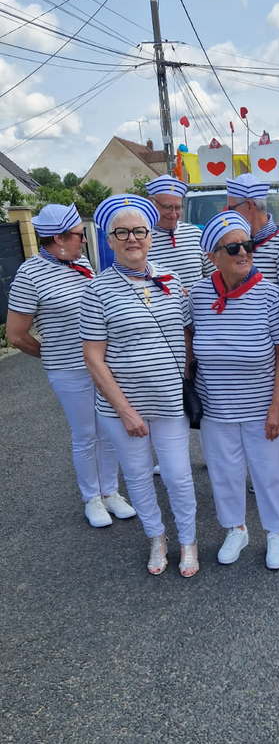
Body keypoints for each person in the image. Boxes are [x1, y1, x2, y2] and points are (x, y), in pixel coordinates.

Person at [80, 194, 198, 578]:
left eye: (139, 231)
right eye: (122, 233)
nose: (132, 238)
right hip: (122, 408)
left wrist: (186, 377)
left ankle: (188, 540)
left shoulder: (171, 279)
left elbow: (187, 332)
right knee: (138, 476)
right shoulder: (96, 290)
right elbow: (93, 357)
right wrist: (126, 411)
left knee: (178, 474)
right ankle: (156, 537)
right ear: (109, 241)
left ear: (150, 237)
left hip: (169, 401)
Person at [6, 203, 135, 528]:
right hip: (69, 371)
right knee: (86, 434)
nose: (85, 240)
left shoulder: (82, 265)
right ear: (59, 238)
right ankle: (92, 498)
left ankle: (111, 492)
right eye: (79, 235)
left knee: (109, 430)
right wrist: (51, 355)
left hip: (102, 366)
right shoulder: (30, 274)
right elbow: (16, 335)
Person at [190, 210, 279, 570]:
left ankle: (276, 532)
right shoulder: (198, 295)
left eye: (247, 245)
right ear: (213, 256)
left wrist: (278, 406)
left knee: (270, 473)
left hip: (263, 405)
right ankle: (236, 529)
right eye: (233, 248)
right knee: (224, 473)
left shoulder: (270, 295)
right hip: (216, 407)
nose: (244, 252)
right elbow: (187, 340)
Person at [226, 173, 279, 503]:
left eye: (231, 207)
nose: (226, 212)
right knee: (256, 410)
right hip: (245, 344)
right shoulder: (237, 241)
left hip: (277, 341)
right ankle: (263, 470)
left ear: (249, 206)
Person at [146, 174, 214, 289]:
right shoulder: (140, 240)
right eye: (167, 207)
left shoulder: (196, 235)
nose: (173, 215)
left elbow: (213, 277)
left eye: (177, 208)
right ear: (151, 203)